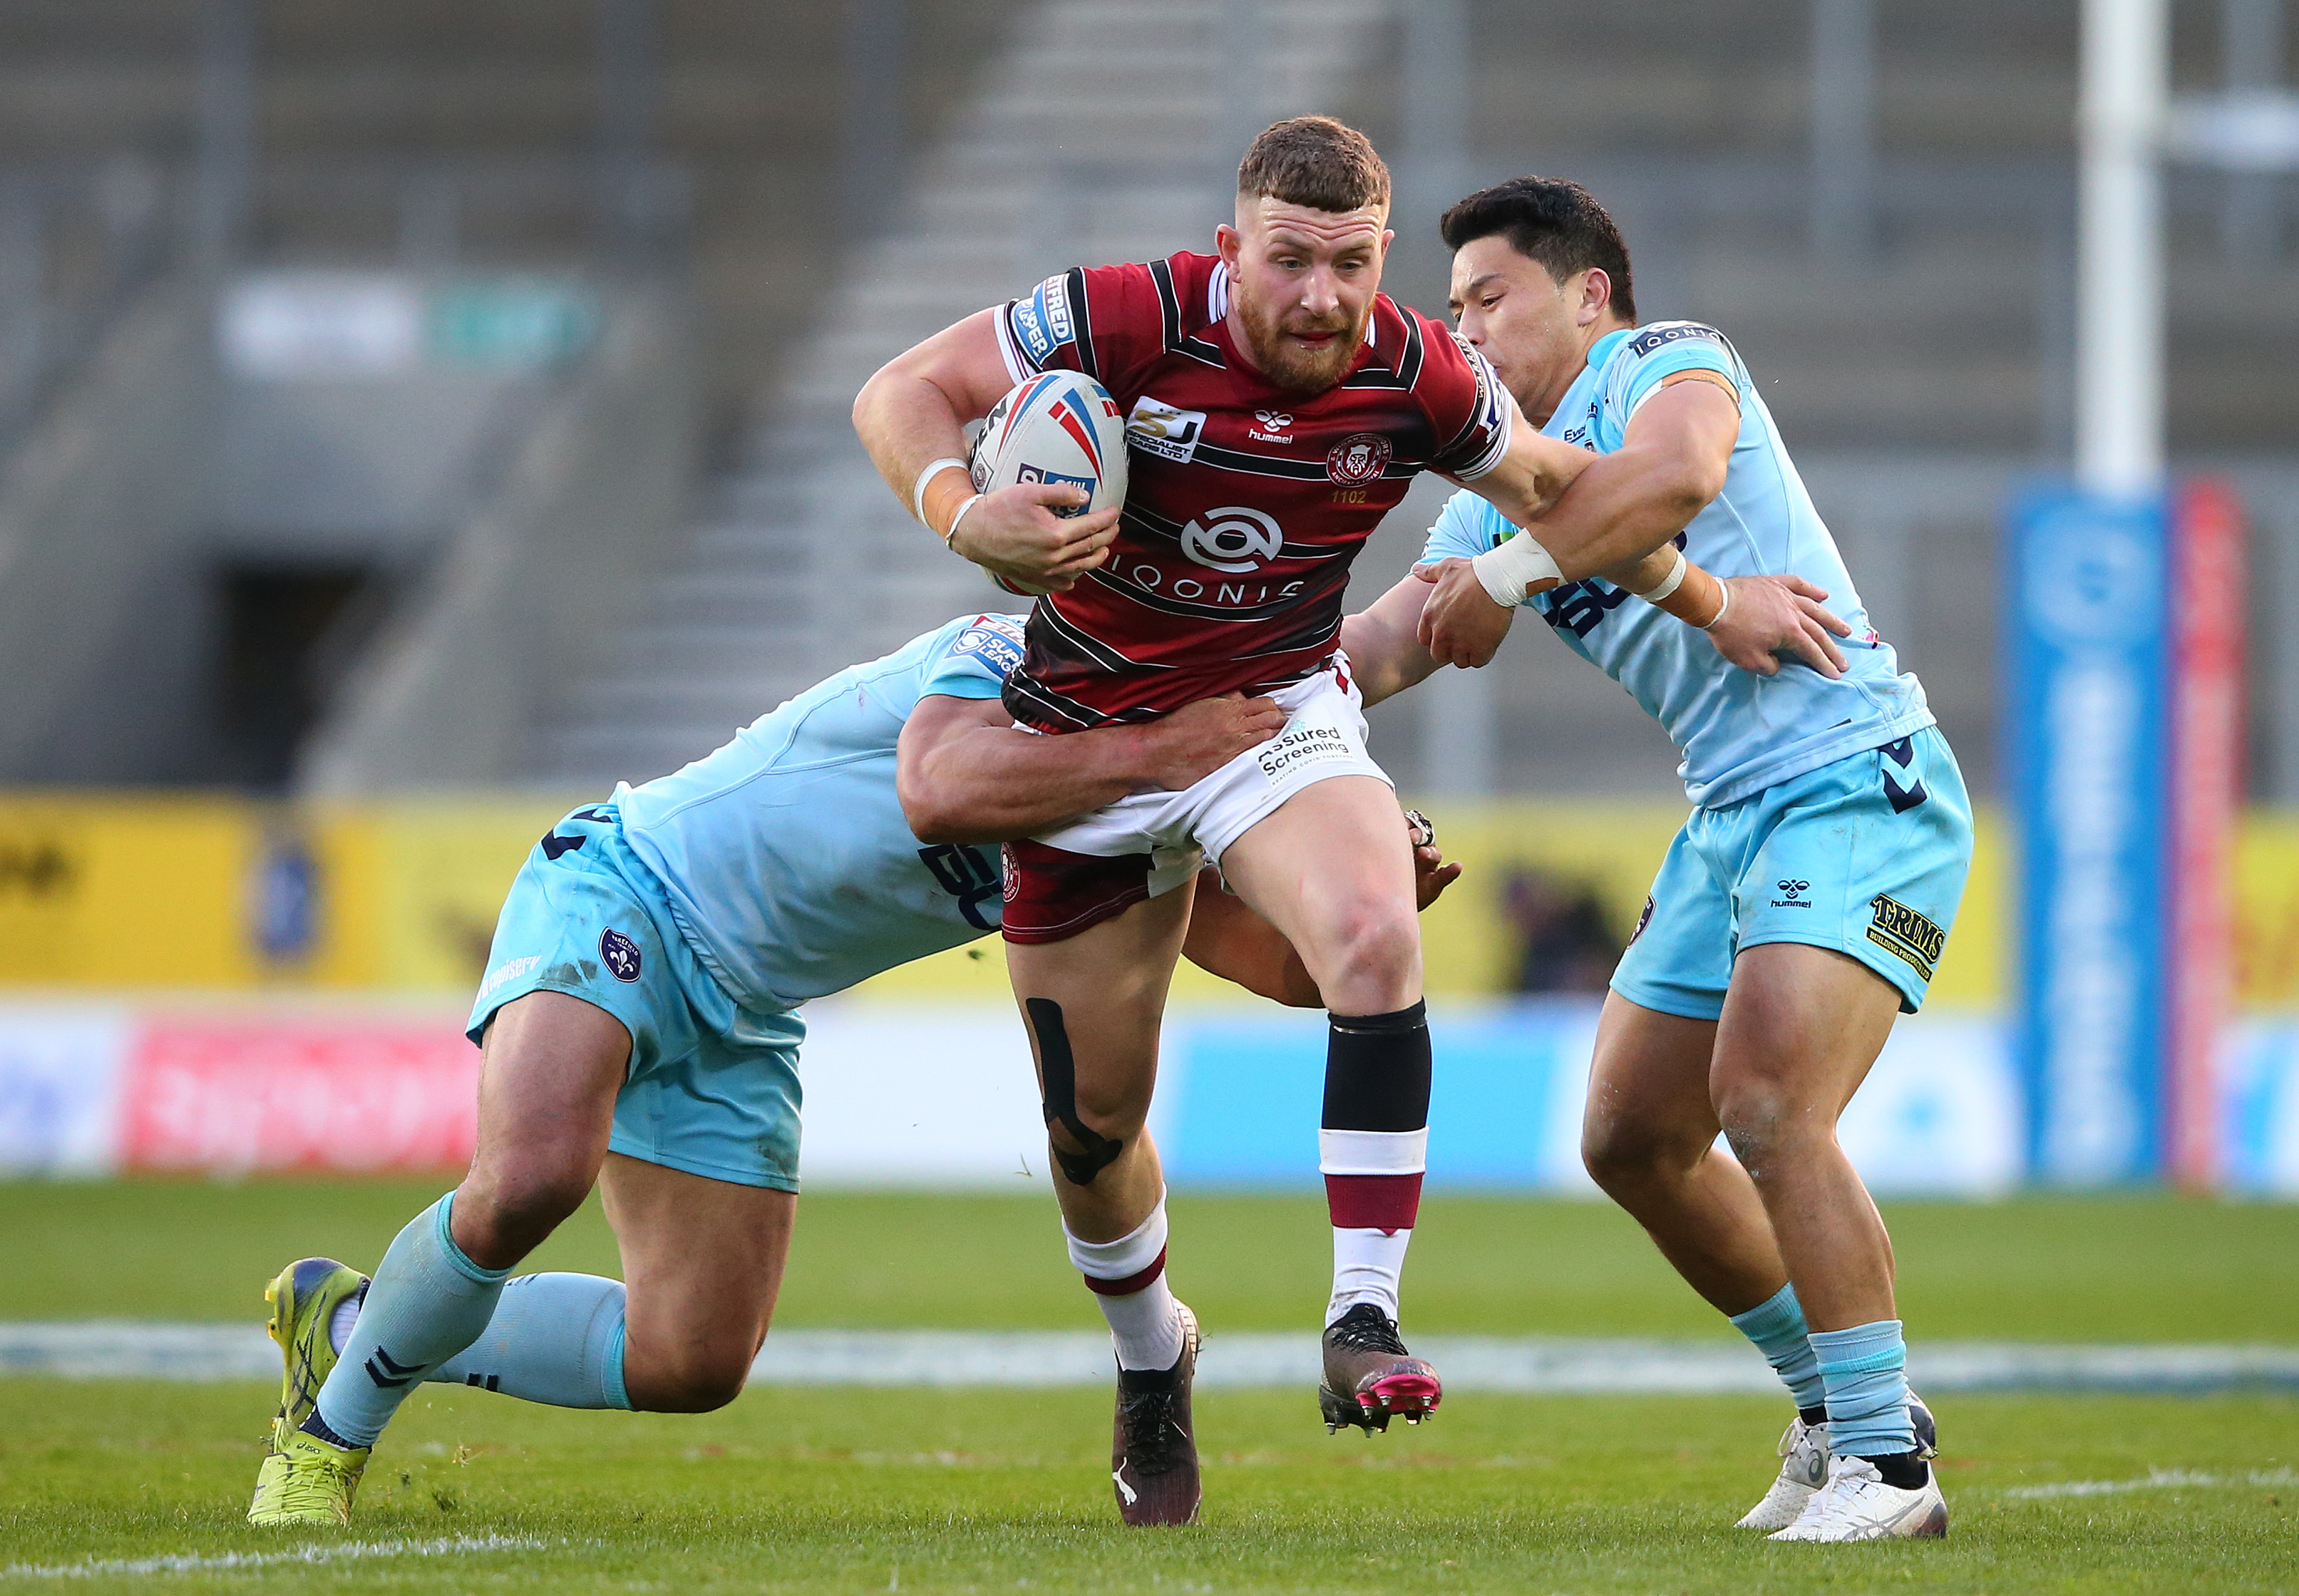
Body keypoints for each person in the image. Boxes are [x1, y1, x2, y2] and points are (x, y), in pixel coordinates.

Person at [849, 115, 1829, 1524]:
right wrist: (958, 508)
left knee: (1375, 930)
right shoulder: (1118, 313)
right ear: (1229, 245)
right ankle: (1149, 1357)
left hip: (1273, 715)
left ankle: (1359, 1317)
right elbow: (905, 388)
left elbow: (1560, 494)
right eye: (1290, 261)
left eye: (1353, 265)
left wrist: (1715, 598)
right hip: (1092, 731)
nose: (1321, 297)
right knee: (1090, 1126)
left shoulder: (1417, 375)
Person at [245, 611, 1457, 1530]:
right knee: (531, 1179)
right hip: (625, 891)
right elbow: (940, 796)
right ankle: (324, 1442)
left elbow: (1282, 971)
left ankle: (352, 1323)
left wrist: (1367, 911)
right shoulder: (999, 660)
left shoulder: (1143, 813)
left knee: (692, 1361)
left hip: (747, 1011)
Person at [1367, 175, 1970, 1542]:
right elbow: (1394, 640)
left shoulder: (1665, 359)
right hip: (1725, 820)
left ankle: (1890, 1472)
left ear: (1587, 294)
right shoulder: (1498, 470)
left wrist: (1510, 579)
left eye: (1489, 298)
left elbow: (1678, 478)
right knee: (1633, 1135)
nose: (1462, 331)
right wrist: (1229, 725)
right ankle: (1838, 1410)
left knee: (1764, 1103)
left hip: (1854, 779)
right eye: (1449, 309)